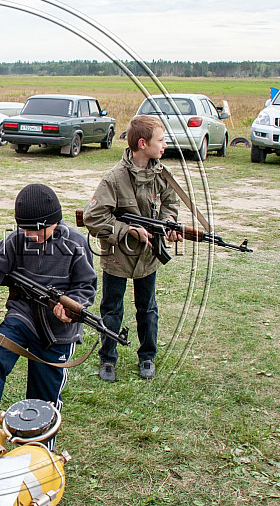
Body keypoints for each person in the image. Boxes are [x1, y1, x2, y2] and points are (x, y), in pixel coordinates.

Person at [0, 184, 96, 424]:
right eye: (25, 229)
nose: (31, 235)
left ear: (55, 221)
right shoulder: (17, 240)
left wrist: (70, 309)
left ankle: (36, 449)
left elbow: (86, 286)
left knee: (43, 398)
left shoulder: (76, 243)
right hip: (21, 319)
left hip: (58, 332)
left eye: (38, 230)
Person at [81, 115, 182, 382]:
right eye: (160, 140)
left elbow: (171, 205)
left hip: (148, 256)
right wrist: (127, 231)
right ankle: (107, 358)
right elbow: (93, 217)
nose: (164, 145)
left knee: (147, 308)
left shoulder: (162, 175)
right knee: (112, 309)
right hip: (117, 258)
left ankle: (147, 356)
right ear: (142, 143)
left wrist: (169, 225)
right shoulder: (114, 178)